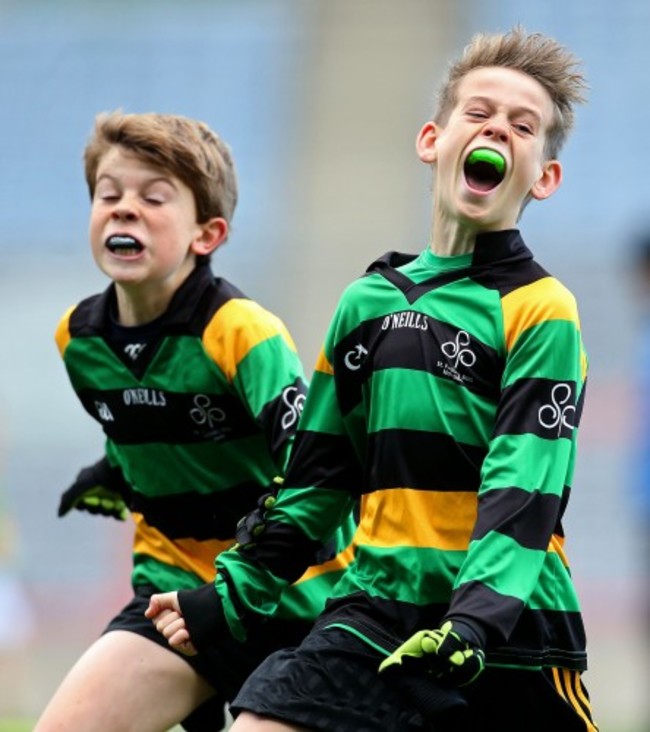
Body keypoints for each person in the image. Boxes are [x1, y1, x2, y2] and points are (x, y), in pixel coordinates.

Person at [147, 27, 599, 731]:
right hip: (375, 612)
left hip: (508, 639)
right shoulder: (368, 303)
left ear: (544, 176)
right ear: (432, 140)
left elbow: (525, 488)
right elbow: (315, 482)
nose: (497, 132)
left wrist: (473, 626)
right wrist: (230, 595)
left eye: (523, 125)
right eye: (479, 113)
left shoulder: (542, 310)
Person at [35, 111, 355, 732]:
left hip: (297, 603)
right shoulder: (76, 340)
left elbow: (314, 468)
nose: (124, 209)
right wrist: (115, 471)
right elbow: (144, 427)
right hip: (172, 592)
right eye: (109, 194)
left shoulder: (241, 331)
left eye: (153, 197)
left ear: (206, 234)